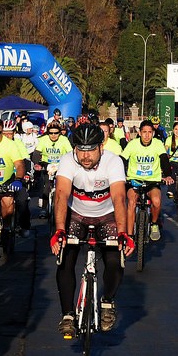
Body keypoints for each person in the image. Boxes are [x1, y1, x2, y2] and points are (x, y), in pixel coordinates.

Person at [49, 123, 134, 337]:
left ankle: (107, 302)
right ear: (74, 149)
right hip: (76, 215)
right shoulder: (67, 161)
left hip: (107, 216)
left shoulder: (113, 161)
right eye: (81, 150)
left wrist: (123, 233)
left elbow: (119, 198)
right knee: (64, 258)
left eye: (91, 150)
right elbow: (61, 195)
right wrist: (59, 231)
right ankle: (68, 315)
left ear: (101, 148)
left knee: (115, 260)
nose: (86, 156)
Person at [119, 119, 174, 242]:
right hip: (134, 181)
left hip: (152, 181)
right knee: (131, 202)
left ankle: (154, 224)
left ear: (153, 133)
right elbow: (122, 160)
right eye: (144, 132)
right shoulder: (132, 144)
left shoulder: (157, 143)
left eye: (150, 132)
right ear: (139, 133)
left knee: (156, 201)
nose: (147, 135)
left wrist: (168, 175)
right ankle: (130, 236)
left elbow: (164, 159)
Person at [31, 120, 73, 219]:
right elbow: (36, 154)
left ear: (60, 133)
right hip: (47, 165)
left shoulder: (64, 140)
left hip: (61, 165)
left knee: (65, 188)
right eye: (51, 133)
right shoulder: (43, 139)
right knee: (46, 187)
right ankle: (43, 208)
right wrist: (37, 164)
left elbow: (70, 154)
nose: (53, 135)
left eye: (56, 133)